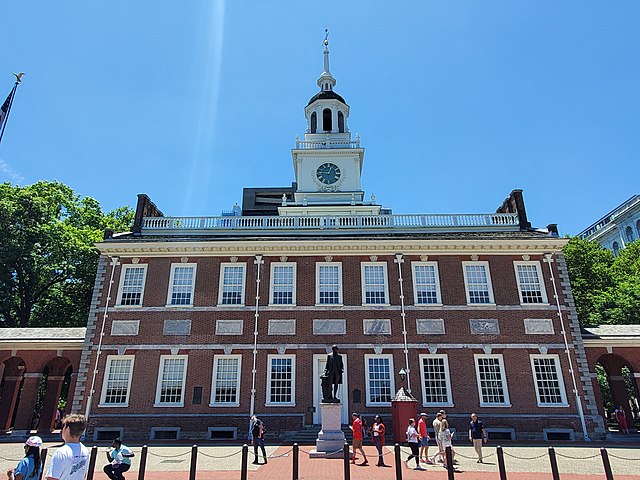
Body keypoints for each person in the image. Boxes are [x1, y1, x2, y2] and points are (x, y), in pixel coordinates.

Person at [45, 414, 89, 480]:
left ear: (67, 429)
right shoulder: (85, 450)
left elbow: (53, 477)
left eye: (63, 427)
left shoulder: (61, 452)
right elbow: (84, 474)